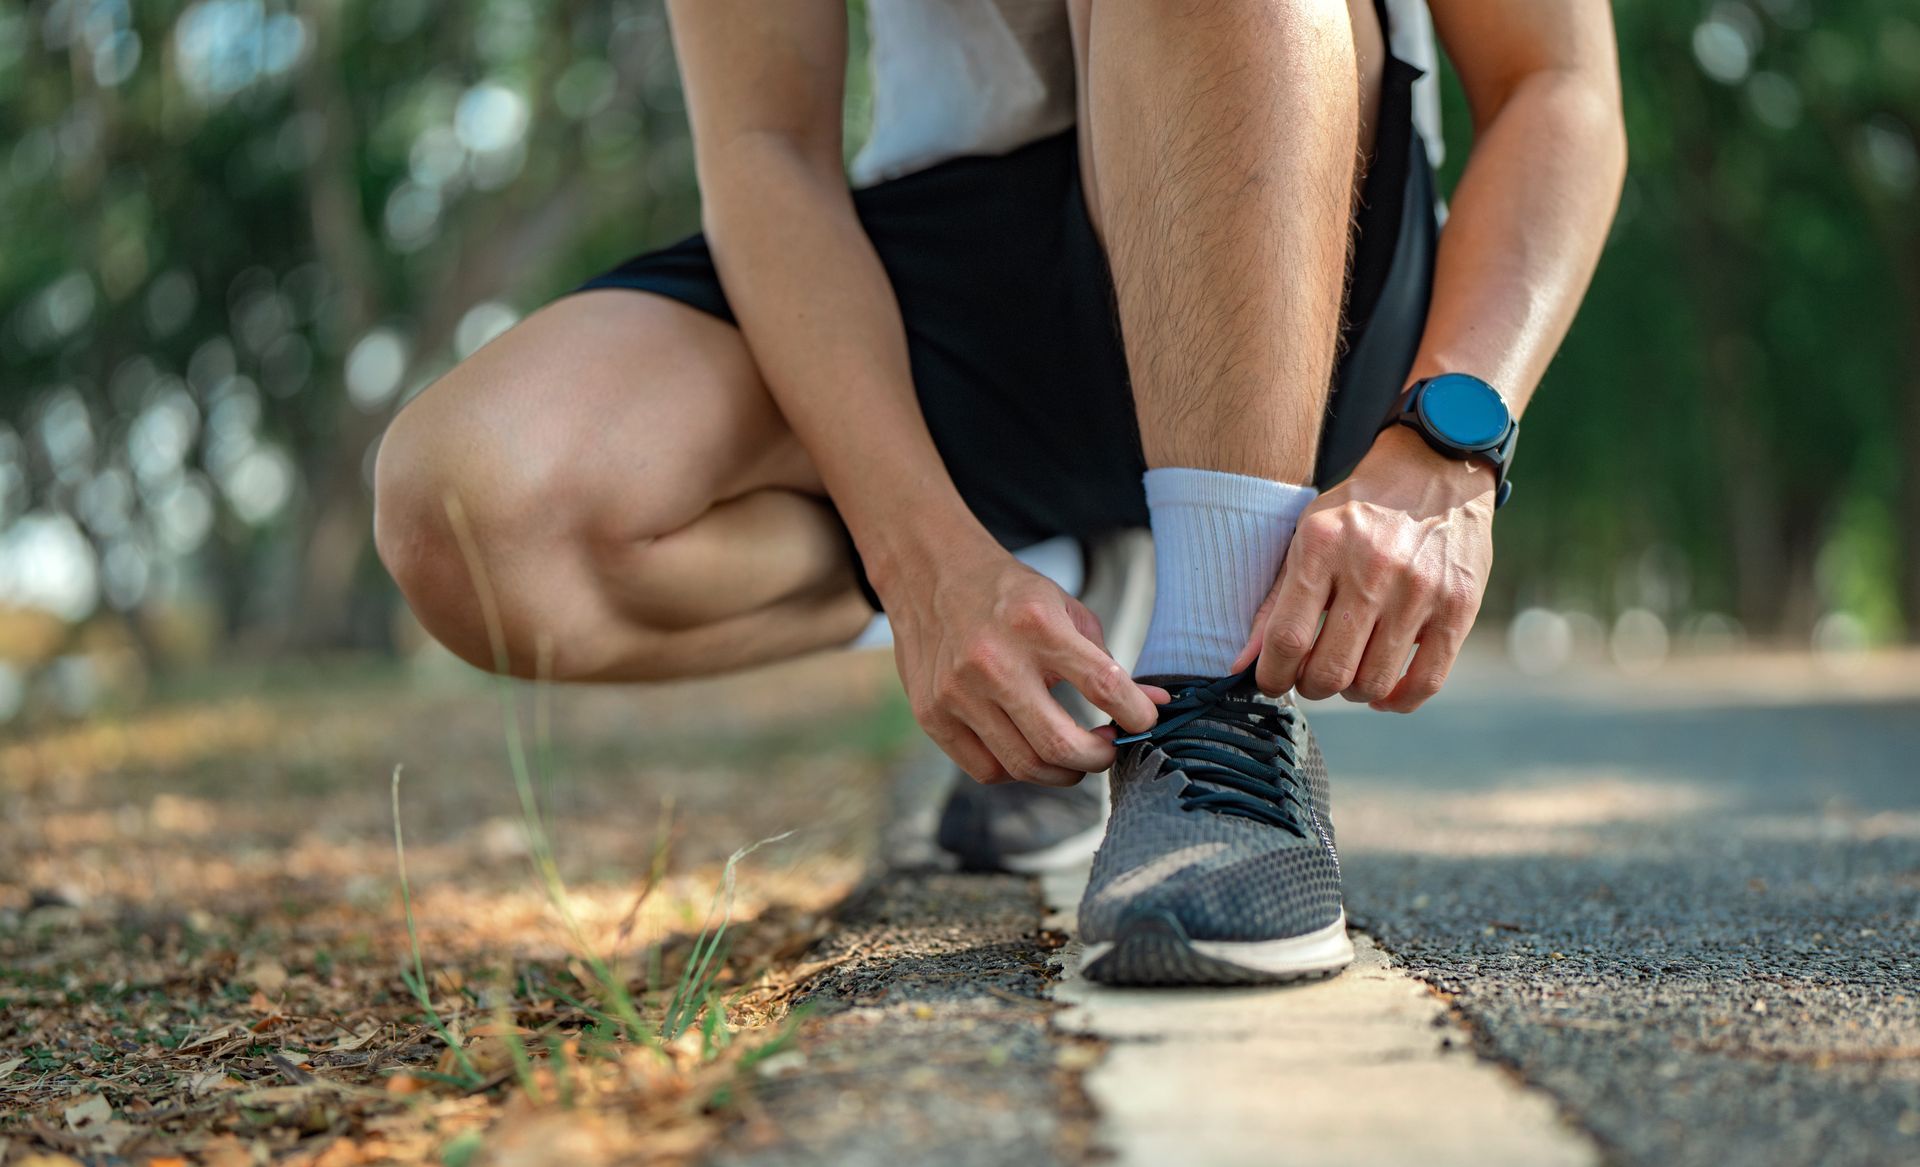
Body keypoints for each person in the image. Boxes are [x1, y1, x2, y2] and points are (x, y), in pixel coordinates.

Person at [373, 0, 1625, 985]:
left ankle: (1213, 712)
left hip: (1305, 233)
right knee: (476, 516)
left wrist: (1450, 443)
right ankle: (1075, 580)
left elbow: (1555, 82)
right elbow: (764, 149)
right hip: (959, 254)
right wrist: (926, 561)